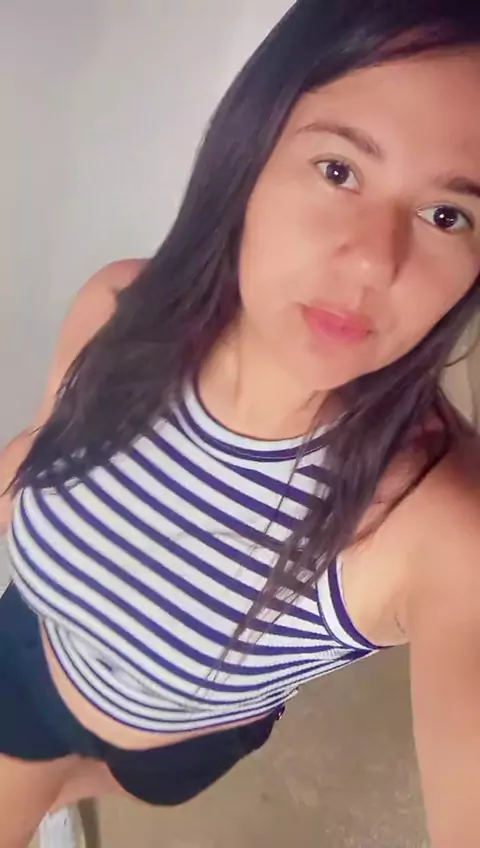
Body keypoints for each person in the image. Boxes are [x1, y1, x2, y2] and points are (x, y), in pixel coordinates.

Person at [2, 1, 480, 845]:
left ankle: (62, 785)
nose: (373, 260)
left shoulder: (433, 529)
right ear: (250, 153)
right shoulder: (121, 307)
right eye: (339, 169)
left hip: (177, 750)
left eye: (449, 215)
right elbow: (37, 450)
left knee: (136, 785)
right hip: (24, 657)